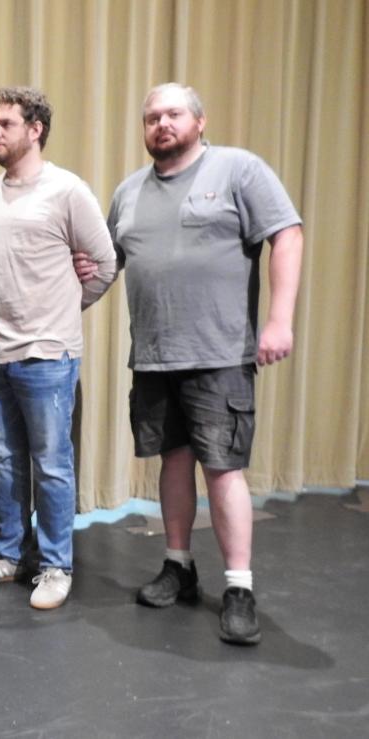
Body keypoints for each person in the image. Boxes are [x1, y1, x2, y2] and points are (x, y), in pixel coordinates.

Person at [96, 82, 303, 644]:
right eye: (151, 117)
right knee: (172, 461)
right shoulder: (129, 192)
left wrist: (279, 321)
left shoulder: (239, 171)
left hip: (219, 355)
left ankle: (239, 587)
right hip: (156, 356)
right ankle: (178, 566)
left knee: (223, 468)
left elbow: (286, 236)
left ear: (200, 121)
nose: (161, 123)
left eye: (173, 114)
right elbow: (102, 271)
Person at [0, 87, 116, 609]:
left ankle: (55, 566)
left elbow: (105, 263)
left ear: (36, 129)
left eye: (5, 123)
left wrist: (64, 314)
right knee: (5, 463)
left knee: (51, 464)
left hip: (46, 355)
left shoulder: (67, 190)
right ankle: (8, 555)